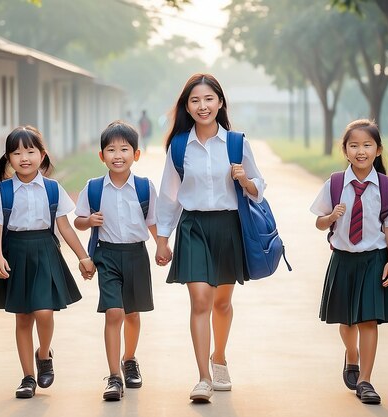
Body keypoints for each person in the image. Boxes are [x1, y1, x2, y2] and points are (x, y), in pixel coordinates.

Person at [155, 73, 265, 403]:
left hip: (228, 227)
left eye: (208, 99)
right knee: (201, 301)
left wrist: (245, 179)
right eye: (195, 100)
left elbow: (259, 189)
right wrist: (162, 239)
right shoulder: (178, 147)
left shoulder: (236, 143)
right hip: (193, 229)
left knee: (222, 302)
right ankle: (203, 377)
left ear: (220, 102)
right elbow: (168, 196)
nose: (202, 106)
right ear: (186, 107)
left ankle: (220, 358)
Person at [0, 125, 96, 399]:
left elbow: (66, 228)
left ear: (42, 155)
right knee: (23, 318)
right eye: (17, 152)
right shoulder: (2, 192)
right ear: (8, 158)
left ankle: (43, 354)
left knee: (44, 312)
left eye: (30, 150)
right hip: (16, 255)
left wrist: (83, 257)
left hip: (45, 253)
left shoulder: (52, 189)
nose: (24, 157)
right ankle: (27, 377)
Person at [310, 119, 388, 405]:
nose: (360, 151)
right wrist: (331, 217)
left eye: (367, 145)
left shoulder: (386, 186)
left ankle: (365, 380)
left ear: (378, 150)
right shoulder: (336, 184)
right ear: (345, 150)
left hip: (373, 261)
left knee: (368, 321)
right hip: (343, 260)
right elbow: (318, 222)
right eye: (354, 145)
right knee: (347, 321)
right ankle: (350, 355)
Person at [74, 121, 157, 401]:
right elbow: (78, 220)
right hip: (107, 255)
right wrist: (89, 220)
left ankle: (129, 359)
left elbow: (153, 222)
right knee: (114, 312)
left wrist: (162, 246)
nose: (117, 155)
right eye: (111, 149)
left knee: (133, 313)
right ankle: (113, 377)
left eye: (124, 149)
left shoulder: (144, 188)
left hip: (136, 254)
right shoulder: (94, 187)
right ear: (102, 156)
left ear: (136, 154)